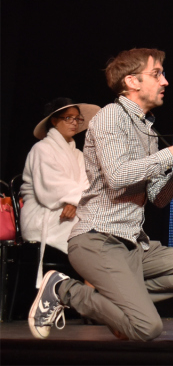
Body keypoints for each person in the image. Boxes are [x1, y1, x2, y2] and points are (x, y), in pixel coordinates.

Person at [28, 48, 173, 341]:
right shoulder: (111, 116)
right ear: (132, 81)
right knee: (148, 327)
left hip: (133, 245)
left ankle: (121, 306)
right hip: (98, 240)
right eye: (157, 74)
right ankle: (63, 289)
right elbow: (118, 176)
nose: (165, 81)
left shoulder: (146, 129)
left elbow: (159, 198)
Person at [21, 98, 101, 287]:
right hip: (43, 215)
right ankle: (89, 296)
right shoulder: (41, 149)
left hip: (72, 209)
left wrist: (74, 203)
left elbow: (88, 184)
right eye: (68, 118)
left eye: (77, 118)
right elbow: (51, 187)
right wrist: (75, 201)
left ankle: (91, 295)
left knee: (99, 227)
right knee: (90, 232)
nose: (74, 122)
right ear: (54, 120)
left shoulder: (78, 154)